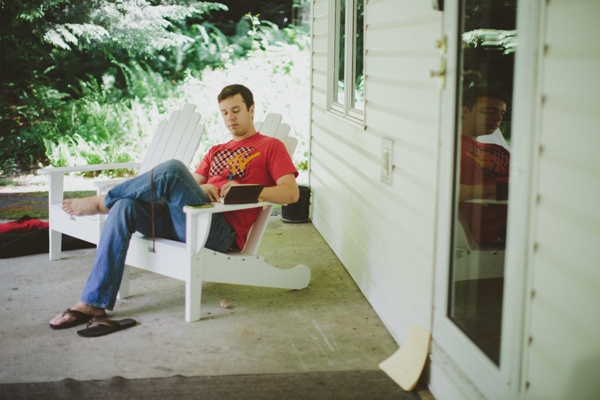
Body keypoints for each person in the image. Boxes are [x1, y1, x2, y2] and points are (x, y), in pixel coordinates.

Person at [50, 84, 299, 329]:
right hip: (186, 219)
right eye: (224, 112)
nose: (230, 118)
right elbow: (192, 185)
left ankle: (102, 201)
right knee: (125, 206)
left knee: (173, 168)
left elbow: (291, 193)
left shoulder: (270, 146)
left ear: (251, 109)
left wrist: (247, 192)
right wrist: (202, 189)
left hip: (218, 231)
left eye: (236, 110)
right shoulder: (216, 151)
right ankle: (93, 302)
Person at [458, 86, 510, 247]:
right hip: (491, 233)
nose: (497, 118)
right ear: (465, 112)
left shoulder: (499, 150)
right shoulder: (451, 147)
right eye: (489, 111)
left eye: (501, 113)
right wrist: (498, 190)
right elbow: (445, 190)